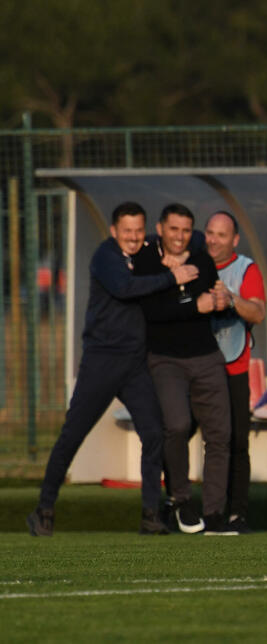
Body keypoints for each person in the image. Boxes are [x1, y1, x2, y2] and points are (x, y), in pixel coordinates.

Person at [26, 202, 198, 536]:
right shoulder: (106, 256)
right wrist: (172, 275)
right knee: (73, 434)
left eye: (138, 231)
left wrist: (178, 257)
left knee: (153, 431)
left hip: (135, 363)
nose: (133, 238)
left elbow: (191, 240)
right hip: (102, 362)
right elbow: (125, 288)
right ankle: (44, 508)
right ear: (113, 231)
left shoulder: (146, 249)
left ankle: (151, 514)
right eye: (126, 231)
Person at [133, 203, 234, 535]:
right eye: (174, 229)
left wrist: (212, 299)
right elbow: (152, 310)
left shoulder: (202, 259)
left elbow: (206, 297)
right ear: (160, 229)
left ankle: (216, 513)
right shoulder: (145, 262)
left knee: (220, 434)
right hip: (164, 358)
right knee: (176, 425)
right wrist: (189, 299)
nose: (180, 237)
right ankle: (180, 499)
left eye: (186, 230)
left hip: (206, 355)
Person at [205, 211, 266, 534]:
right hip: (197, 368)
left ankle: (236, 514)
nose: (214, 240)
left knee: (237, 442)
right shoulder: (193, 264)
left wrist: (231, 300)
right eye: (210, 233)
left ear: (235, 240)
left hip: (233, 367)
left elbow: (258, 311)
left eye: (222, 234)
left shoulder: (246, 269)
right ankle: (189, 508)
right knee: (179, 431)